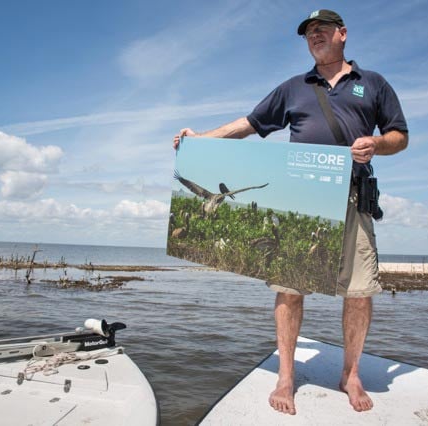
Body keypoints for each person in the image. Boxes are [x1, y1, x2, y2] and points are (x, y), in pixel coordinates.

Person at [172, 9, 408, 415]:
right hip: (300, 195)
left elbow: (399, 135)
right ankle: (286, 375)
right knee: (289, 287)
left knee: (359, 292)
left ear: (343, 34)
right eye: (308, 34)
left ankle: (350, 374)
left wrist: (377, 144)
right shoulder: (294, 87)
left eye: (322, 31)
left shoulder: (373, 83)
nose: (314, 37)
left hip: (352, 196)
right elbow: (249, 123)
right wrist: (199, 140)